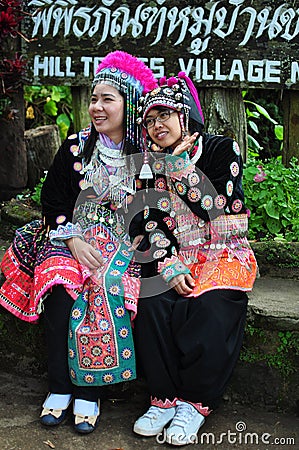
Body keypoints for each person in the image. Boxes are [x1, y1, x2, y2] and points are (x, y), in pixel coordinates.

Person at [0, 51, 157, 434]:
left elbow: (154, 213)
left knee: (104, 289)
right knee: (60, 286)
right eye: (94, 99)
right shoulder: (75, 146)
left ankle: (90, 391)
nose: (97, 108)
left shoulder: (148, 156)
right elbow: (53, 200)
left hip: (124, 244)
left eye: (108, 99)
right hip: (71, 235)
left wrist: (124, 246)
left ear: (130, 103)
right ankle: (59, 387)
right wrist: (72, 240)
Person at [132, 72, 258, 446]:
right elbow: (149, 220)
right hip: (178, 255)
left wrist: (180, 168)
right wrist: (169, 264)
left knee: (211, 307)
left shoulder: (222, 150)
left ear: (185, 116)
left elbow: (220, 214)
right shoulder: (148, 165)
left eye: (164, 116)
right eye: (149, 121)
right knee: (152, 302)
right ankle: (164, 399)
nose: (157, 127)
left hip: (224, 250)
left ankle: (195, 403)